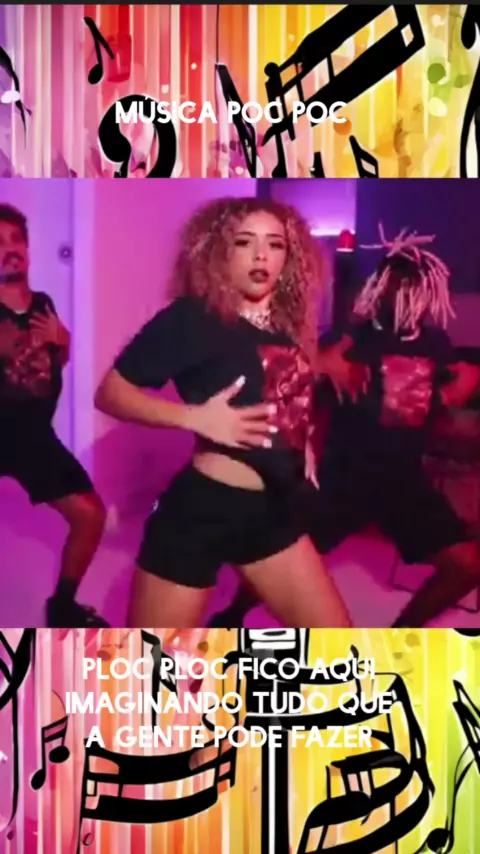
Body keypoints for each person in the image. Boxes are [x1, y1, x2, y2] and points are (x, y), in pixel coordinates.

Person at [95, 197, 360, 629]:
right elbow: (111, 393)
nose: (261, 255)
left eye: (275, 244)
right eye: (244, 242)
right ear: (220, 252)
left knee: (337, 644)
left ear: (289, 258)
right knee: (154, 665)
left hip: (272, 511)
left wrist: (300, 441)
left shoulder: (284, 327)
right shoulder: (192, 317)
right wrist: (193, 417)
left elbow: (282, 389)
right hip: (203, 510)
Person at [213, 225, 480, 628]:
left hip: (403, 482)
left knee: (466, 566)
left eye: (410, 287)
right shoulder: (351, 337)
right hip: (342, 479)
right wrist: (320, 366)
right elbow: (289, 381)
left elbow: (458, 379)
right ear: (379, 287)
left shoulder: (435, 343)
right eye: (391, 285)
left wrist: (460, 386)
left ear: (428, 292)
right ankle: (232, 616)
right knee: (278, 557)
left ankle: (396, 642)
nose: (399, 295)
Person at [0, 204, 108, 628]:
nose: (10, 249)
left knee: (90, 515)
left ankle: (63, 604)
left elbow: (55, 363)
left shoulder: (42, 303)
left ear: (27, 249)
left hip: (33, 437)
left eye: (16, 240)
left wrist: (63, 340)